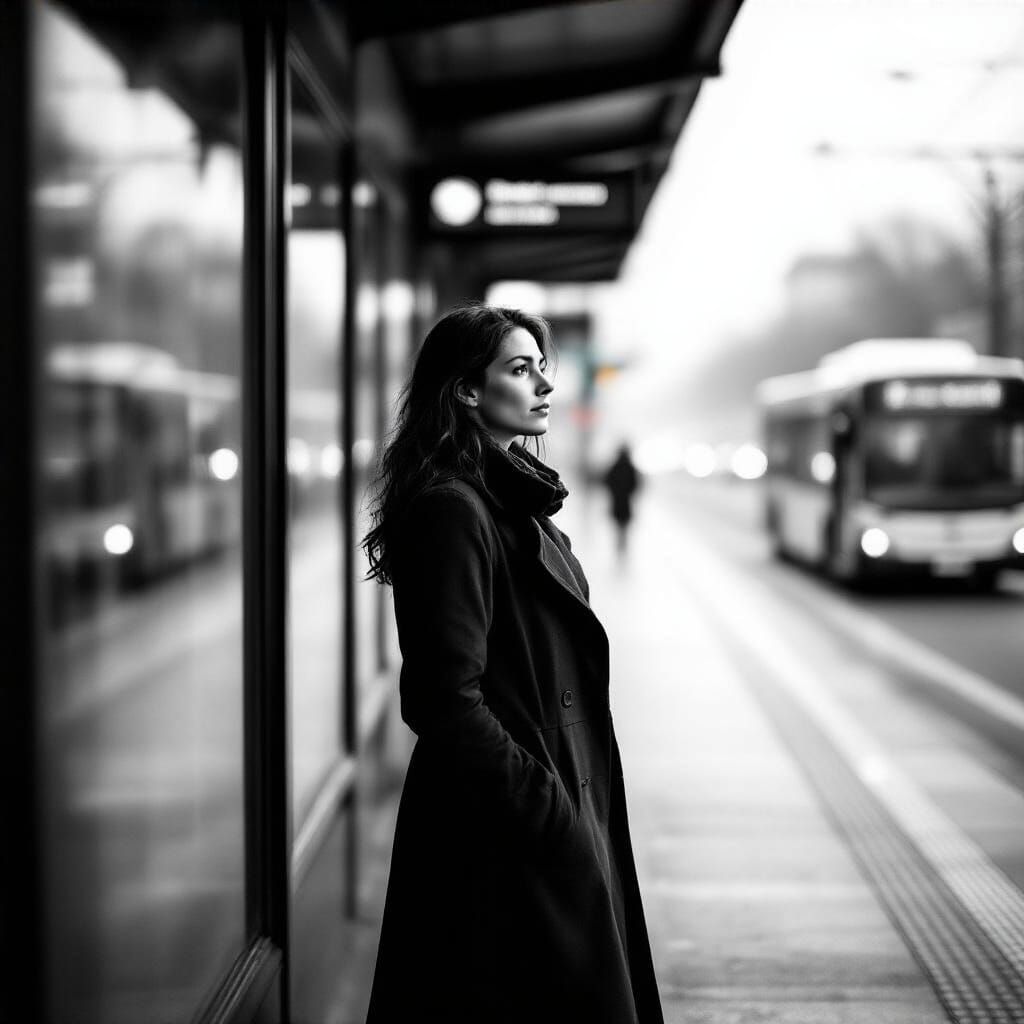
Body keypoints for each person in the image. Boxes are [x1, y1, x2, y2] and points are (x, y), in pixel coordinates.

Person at [361, 304, 663, 1024]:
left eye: (542, 367)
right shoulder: (454, 510)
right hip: (503, 828)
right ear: (467, 389)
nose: (544, 385)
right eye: (521, 369)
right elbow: (443, 698)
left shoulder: (508, 500)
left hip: (540, 804)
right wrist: (547, 808)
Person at [603, 442, 641, 554]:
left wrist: (615, 491)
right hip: (626, 501)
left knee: (618, 524)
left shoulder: (615, 467)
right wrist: (628, 492)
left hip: (616, 501)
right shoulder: (631, 468)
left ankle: (619, 544)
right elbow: (636, 484)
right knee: (624, 525)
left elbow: (607, 481)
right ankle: (623, 544)